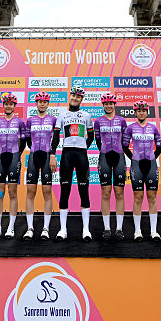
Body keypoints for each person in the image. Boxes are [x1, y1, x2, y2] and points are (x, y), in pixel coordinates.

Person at [56, 86, 94, 240]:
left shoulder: (86, 115)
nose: (75, 99)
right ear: (70, 96)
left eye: (78, 97)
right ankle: (62, 230)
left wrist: (83, 147)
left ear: (81, 100)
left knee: (84, 192)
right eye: (73, 96)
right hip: (66, 154)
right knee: (64, 192)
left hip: (81, 155)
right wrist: (53, 153)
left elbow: (90, 137)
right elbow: (55, 137)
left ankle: (86, 230)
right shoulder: (62, 115)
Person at [123, 101, 161, 240]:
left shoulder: (154, 128)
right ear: (135, 113)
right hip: (136, 165)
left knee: (152, 197)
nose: (141, 113)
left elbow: (159, 147)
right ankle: (137, 231)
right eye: (138, 111)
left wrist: (152, 159)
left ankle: (154, 231)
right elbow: (125, 146)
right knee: (138, 197)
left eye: (143, 110)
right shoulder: (130, 128)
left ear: (147, 112)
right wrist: (134, 158)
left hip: (151, 164)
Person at [23, 92, 59, 239]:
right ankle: (30, 228)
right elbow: (27, 141)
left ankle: (46, 228)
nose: (42, 104)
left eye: (45, 101)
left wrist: (52, 155)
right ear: (36, 104)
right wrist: (34, 150)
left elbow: (55, 139)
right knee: (30, 192)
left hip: (46, 156)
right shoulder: (30, 120)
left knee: (47, 193)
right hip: (33, 156)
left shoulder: (53, 119)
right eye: (40, 101)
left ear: (48, 104)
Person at [0, 93, 26, 239]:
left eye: (11, 104)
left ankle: (10, 228)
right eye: (6, 104)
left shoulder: (20, 122)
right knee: (0, 194)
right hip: (0, 158)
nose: (8, 106)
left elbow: (23, 142)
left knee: (12, 193)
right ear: (3, 106)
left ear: (14, 106)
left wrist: (17, 155)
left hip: (14, 158)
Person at [94, 92, 127, 240]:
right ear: (103, 105)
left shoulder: (122, 120)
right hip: (104, 157)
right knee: (105, 192)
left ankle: (119, 228)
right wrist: (103, 152)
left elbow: (126, 141)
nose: (108, 106)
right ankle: (107, 228)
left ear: (114, 105)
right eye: (106, 104)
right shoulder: (98, 121)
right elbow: (97, 140)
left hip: (119, 157)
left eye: (110, 103)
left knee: (119, 193)